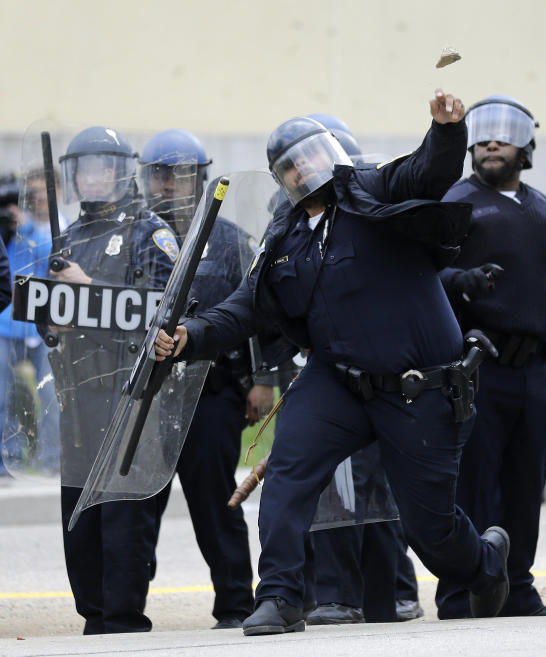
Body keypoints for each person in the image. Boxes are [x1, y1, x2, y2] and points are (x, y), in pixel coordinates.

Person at [154, 89, 510, 636]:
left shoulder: (374, 190)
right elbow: (247, 306)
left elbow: (425, 173)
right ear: (281, 180)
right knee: (289, 474)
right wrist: (190, 334)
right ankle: (279, 596)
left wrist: (446, 131)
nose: (304, 171)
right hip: (338, 381)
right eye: (290, 167)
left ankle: (486, 567)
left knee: (429, 531)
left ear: (333, 154)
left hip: (418, 388)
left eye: (311, 156)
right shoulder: (286, 237)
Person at [434, 95, 546, 618]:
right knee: (473, 487)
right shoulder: (457, 203)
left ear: (526, 147)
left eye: (504, 134)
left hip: (538, 371)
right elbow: (423, 273)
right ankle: (461, 594)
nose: (491, 142)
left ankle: (517, 588)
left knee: (526, 488)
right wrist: (461, 281)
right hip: (481, 370)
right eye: (482, 135)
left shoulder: (545, 209)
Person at [294, 114, 425, 626]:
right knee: (330, 491)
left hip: (377, 375)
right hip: (321, 375)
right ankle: (332, 594)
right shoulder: (288, 218)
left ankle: (394, 589)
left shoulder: (373, 213)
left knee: (377, 488)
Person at [140, 128, 270, 630]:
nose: (170, 184)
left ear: (202, 178)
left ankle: (236, 604)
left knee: (217, 503)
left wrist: (260, 379)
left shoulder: (234, 240)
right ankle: (125, 611)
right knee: (140, 508)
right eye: (160, 174)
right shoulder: (138, 240)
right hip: (147, 398)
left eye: (181, 174)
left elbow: (256, 312)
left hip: (213, 392)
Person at [53, 126, 179, 633]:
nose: (93, 177)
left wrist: (89, 290)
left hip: (130, 397)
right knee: (78, 512)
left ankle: (123, 618)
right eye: (84, 168)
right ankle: (92, 613)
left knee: (123, 517)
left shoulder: (149, 232)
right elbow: (50, 315)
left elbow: (163, 310)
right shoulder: (68, 238)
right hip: (76, 396)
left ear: (122, 172)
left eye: (103, 167)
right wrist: (54, 320)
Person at [0, 173, 51, 480]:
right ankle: (8, 460)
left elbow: (50, 257)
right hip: (4, 324)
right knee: (4, 396)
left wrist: (24, 227)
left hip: (36, 326)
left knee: (50, 395)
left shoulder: (35, 231)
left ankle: (51, 461)